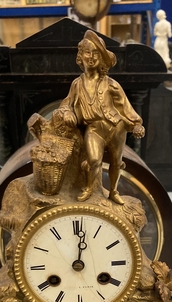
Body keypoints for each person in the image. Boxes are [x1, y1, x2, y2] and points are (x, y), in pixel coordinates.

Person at [59, 30, 145, 205]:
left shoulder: (111, 84)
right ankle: (89, 188)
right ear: (80, 57)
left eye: (95, 54)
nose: (91, 57)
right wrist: (67, 112)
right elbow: (66, 104)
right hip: (94, 128)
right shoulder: (77, 84)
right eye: (87, 53)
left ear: (102, 59)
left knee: (116, 161)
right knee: (94, 160)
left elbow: (125, 106)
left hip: (116, 128)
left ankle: (113, 191)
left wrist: (136, 124)